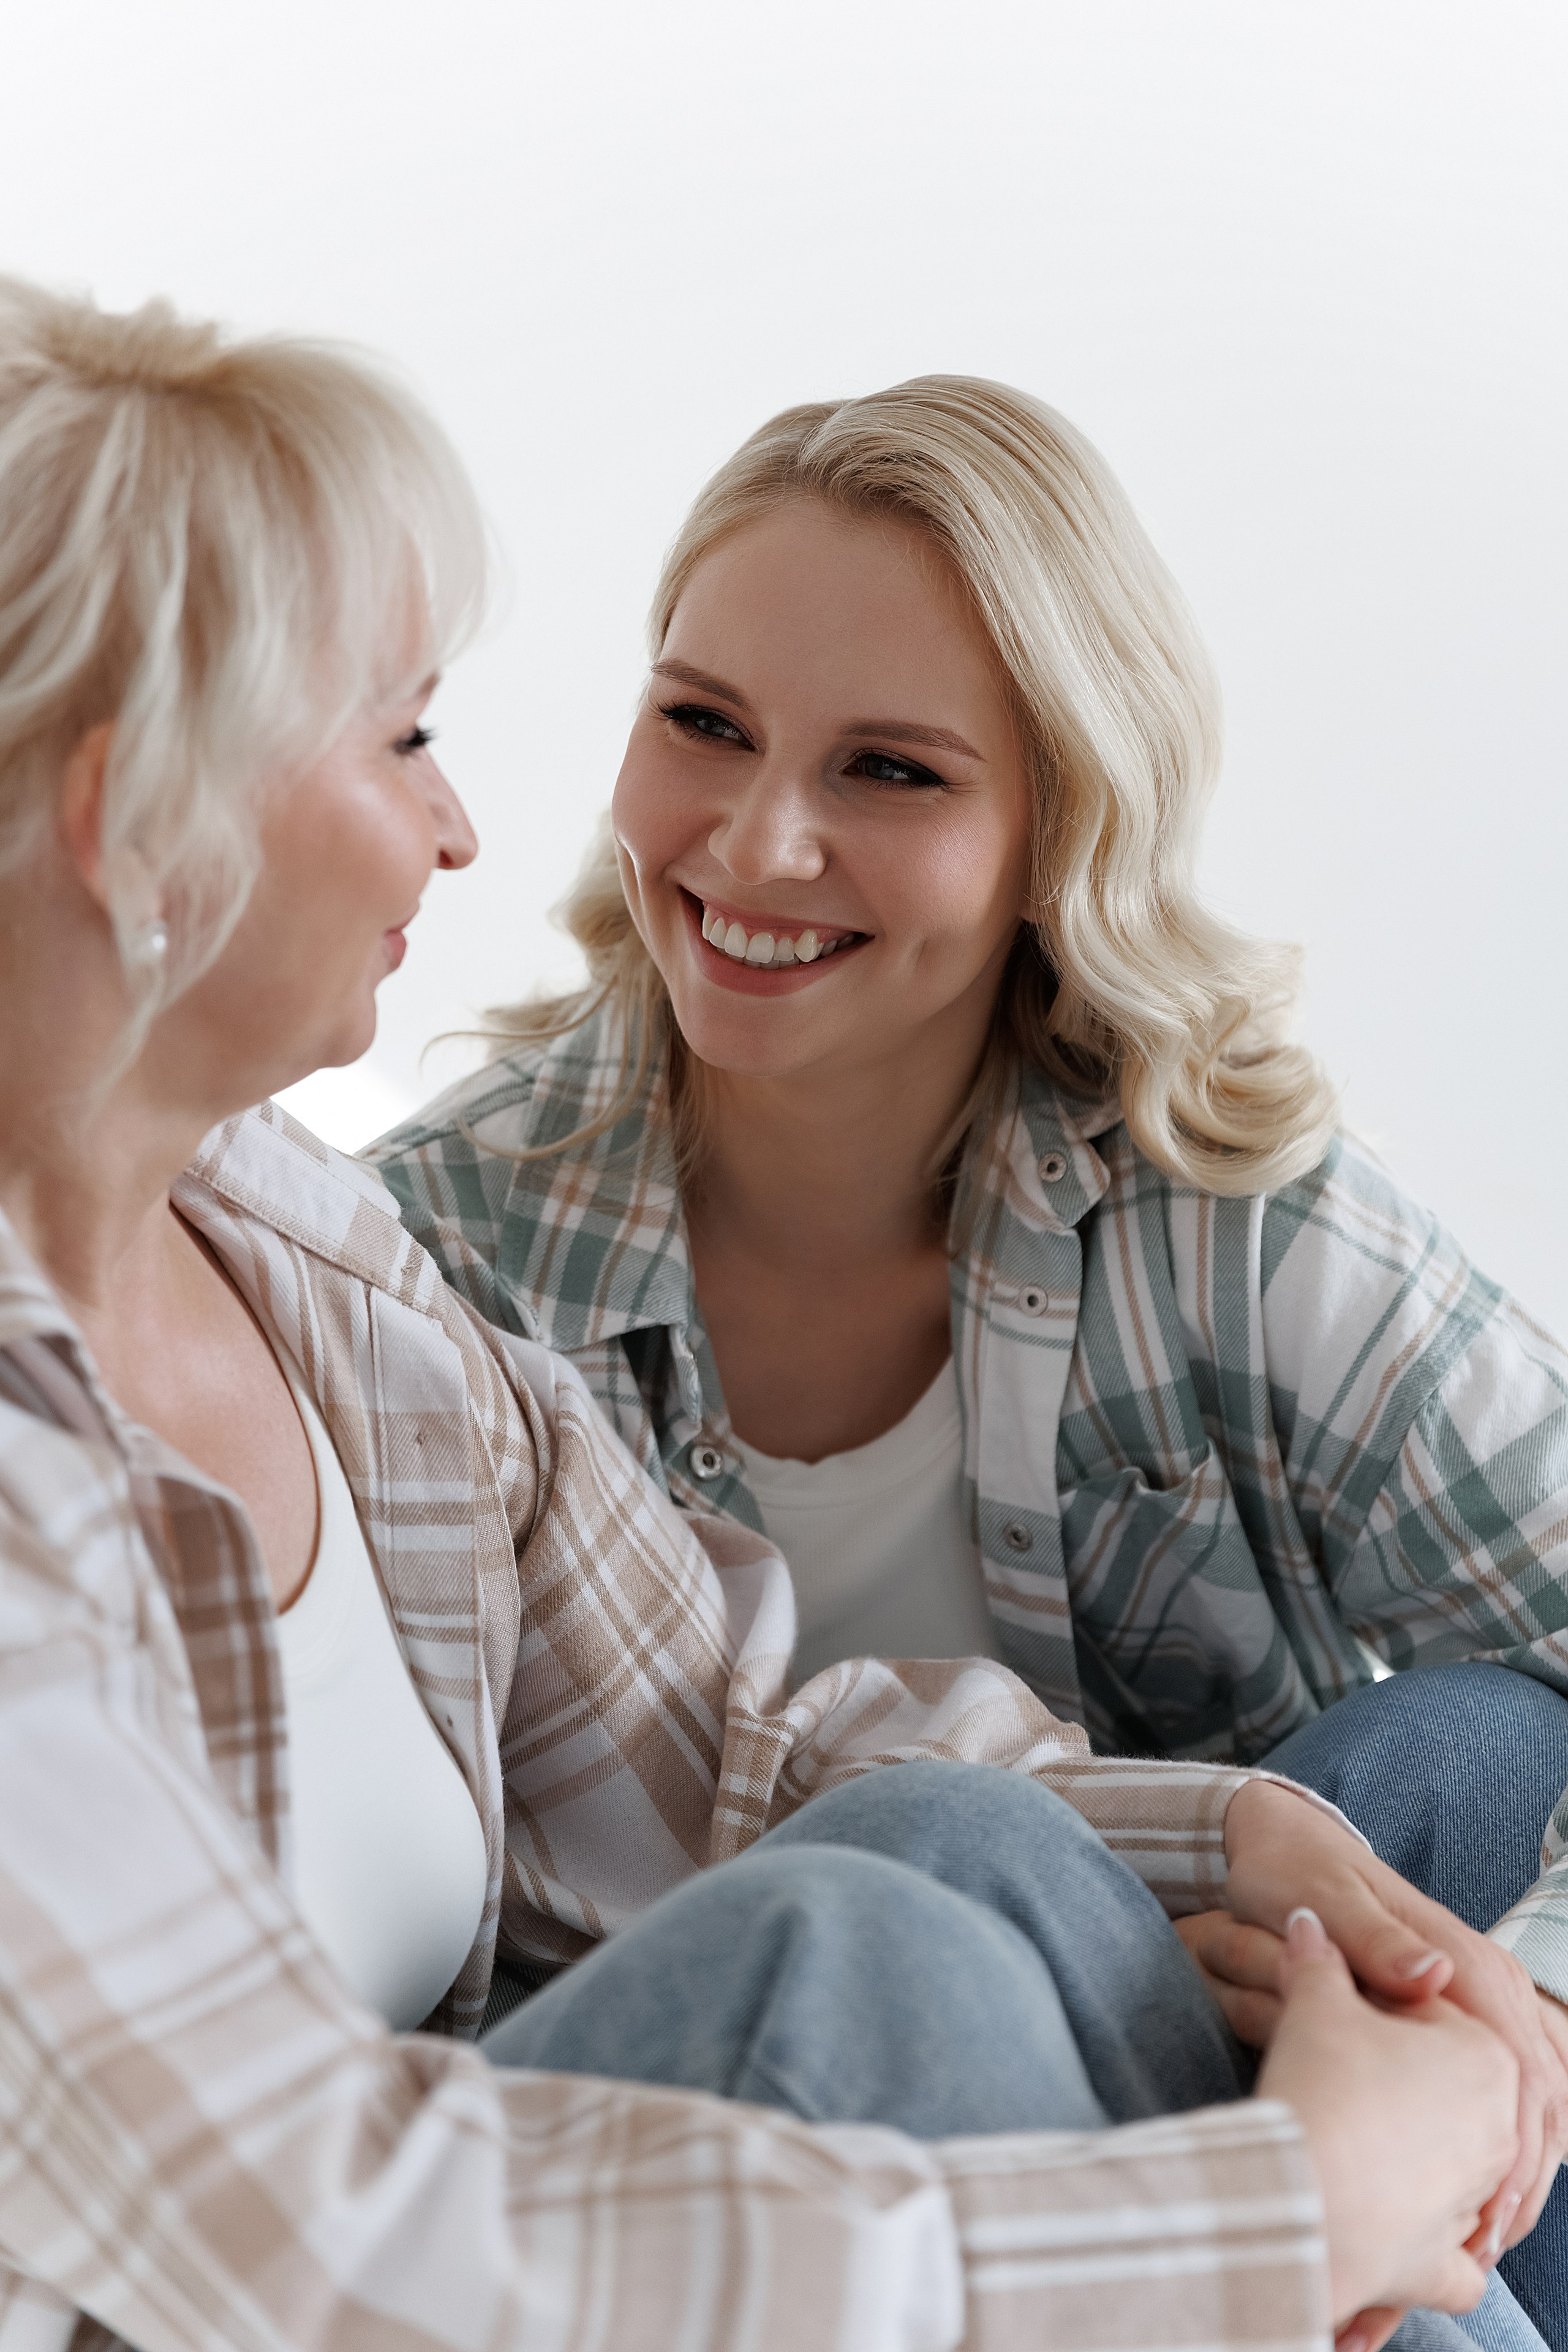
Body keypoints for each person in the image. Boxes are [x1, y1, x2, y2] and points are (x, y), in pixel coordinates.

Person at [0, 277, 1539, 2352]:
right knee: (872, 1958)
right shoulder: (418, 1236)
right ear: (133, 820)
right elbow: (324, 2240)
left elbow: (734, 1748)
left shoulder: (296, 1256)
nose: (465, 824)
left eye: (889, 769)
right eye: (403, 732)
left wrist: (1273, 1855)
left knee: (1020, 1834)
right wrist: (1292, 2199)